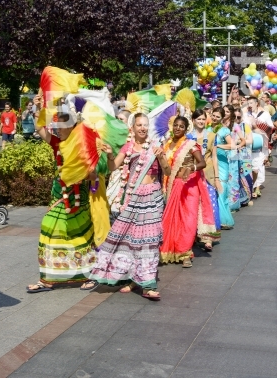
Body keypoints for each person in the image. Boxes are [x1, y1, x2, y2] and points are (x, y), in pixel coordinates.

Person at [86, 113, 170, 300]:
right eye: (139, 125)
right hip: (133, 198)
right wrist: (109, 154)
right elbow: (113, 167)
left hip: (152, 197)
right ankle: (132, 279)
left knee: (149, 241)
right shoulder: (128, 147)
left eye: (145, 125)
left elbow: (168, 171)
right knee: (130, 239)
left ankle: (148, 285)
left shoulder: (156, 147)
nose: (143, 128)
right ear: (132, 127)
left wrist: (162, 157)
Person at [27, 98, 96, 292]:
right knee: (49, 228)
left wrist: (89, 172)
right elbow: (41, 128)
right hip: (59, 194)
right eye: (56, 125)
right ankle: (47, 278)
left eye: (61, 126)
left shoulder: (83, 145)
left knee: (80, 233)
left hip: (78, 195)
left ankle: (88, 275)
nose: (57, 129)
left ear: (73, 127)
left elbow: (94, 174)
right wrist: (40, 107)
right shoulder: (57, 142)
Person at [160, 117, 217, 268]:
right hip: (172, 185)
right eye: (176, 126)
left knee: (188, 220)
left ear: (186, 129)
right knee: (173, 219)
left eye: (181, 126)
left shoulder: (191, 145)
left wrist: (190, 169)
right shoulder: (166, 145)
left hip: (189, 186)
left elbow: (202, 163)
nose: (178, 128)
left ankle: (186, 252)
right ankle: (172, 249)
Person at [188, 110, 221, 235]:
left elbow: (214, 157)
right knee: (195, 204)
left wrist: (217, 177)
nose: (201, 121)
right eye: (198, 119)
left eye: (203, 119)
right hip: (194, 174)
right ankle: (196, 232)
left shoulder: (212, 136)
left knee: (211, 203)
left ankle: (209, 236)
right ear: (193, 120)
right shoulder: (188, 137)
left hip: (208, 173)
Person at [243, 96, 273, 197]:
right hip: (248, 143)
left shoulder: (265, 114)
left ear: (257, 104)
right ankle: (250, 186)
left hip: (260, 144)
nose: (249, 105)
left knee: (259, 165)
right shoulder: (245, 115)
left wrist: (259, 128)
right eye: (248, 103)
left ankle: (257, 188)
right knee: (249, 165)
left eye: (251, 103)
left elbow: (270, 128)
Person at [234, 108, 253, 205]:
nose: (237, 118)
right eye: (235, 117)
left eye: (239, 117)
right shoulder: (231, 126)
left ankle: (248, 197)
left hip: (245, 155)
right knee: (236, 177)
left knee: (247, 176)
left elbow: (250, 140)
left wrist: (240, 141)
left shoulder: (245, 126)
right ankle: (239, 198)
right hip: (234, 155)